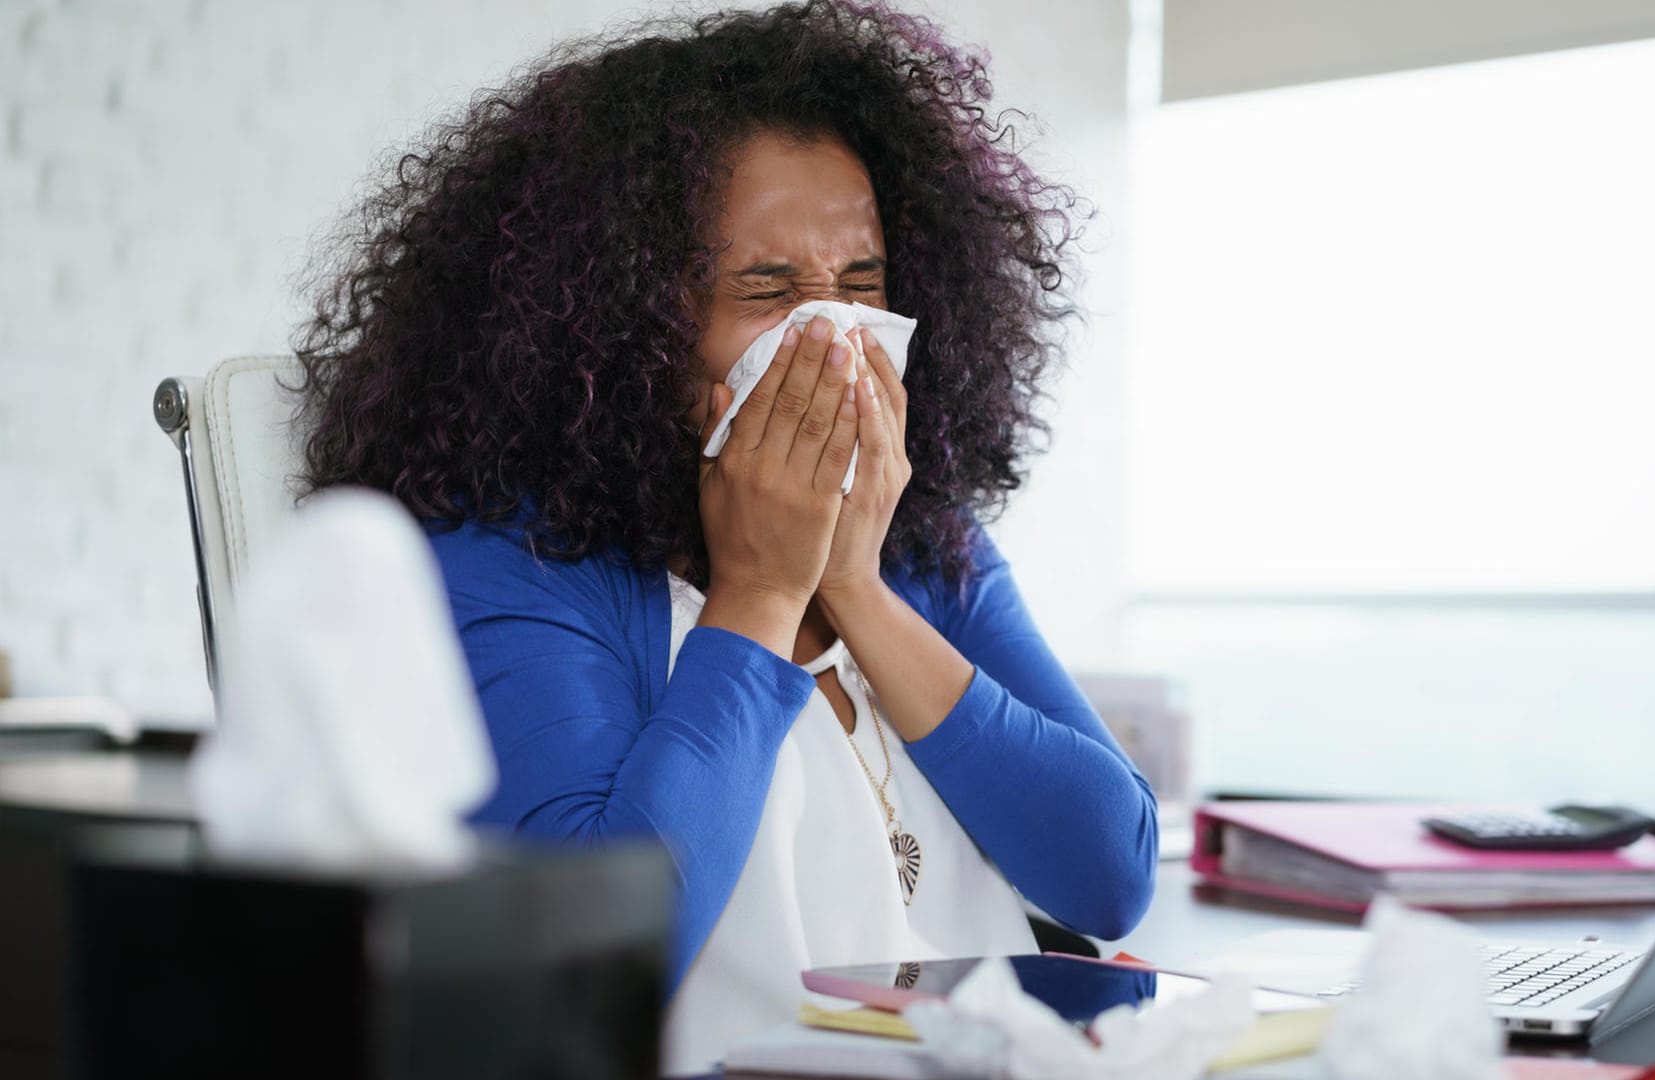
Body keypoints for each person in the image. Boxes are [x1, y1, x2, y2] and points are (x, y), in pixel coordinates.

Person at [290, 1, 1156, 1070]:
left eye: (863, 283)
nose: (834, 336)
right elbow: (584, 973)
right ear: (617, 320)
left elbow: (1110, 876)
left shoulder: (928, 546)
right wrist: (758, 592)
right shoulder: (504, 560)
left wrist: (857, 586)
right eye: (767, 290)